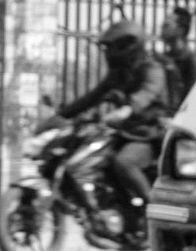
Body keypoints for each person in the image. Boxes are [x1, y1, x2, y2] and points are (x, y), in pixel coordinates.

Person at [57, 18, 170, 216]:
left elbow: (146, 94)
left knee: (124, 162)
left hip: (149, 135)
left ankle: (156, 213)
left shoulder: (152, 69)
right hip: (125, 133)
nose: (110, 52)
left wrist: (126, 109)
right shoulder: (119, 73)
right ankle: (113, 208)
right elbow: (93, 97)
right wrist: (60, 116)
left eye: (114, 46)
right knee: (93, 157)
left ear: (130, 47)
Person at [159, 5, 196, 108]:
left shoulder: (194, 61)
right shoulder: (164, 58)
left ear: (180, 30)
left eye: (167, 25)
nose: (162, 28)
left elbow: (195, 97)